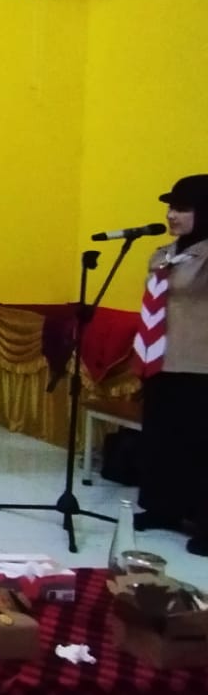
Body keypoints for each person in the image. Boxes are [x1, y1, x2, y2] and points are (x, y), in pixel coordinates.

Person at [132, 175, 208, 553]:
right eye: (170, 208)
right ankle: (164, 508)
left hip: (200, 363)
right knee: (163, 439)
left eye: (182, 209)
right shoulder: (164, 253)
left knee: (200, 444)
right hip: (161, 358)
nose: (171, 216)